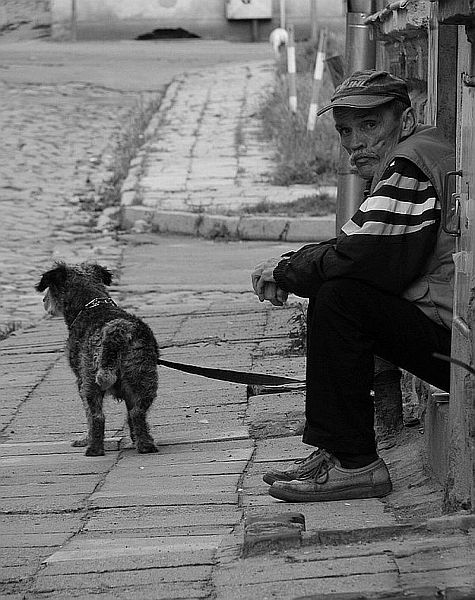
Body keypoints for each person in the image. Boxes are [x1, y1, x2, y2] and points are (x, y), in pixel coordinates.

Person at [251, 70, 455, 503]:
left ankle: (355, 463)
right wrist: (290, 264)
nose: (356, 142)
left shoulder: (410, 163)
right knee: (338, 292)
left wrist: (287, 272)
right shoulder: (419, 152)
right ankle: (342, 451)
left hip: (458, 348)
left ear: (407, 117)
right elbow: (359, 243)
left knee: (341, 298)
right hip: (452, 339)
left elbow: (360, 259)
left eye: (370, 125)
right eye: (346, 130)